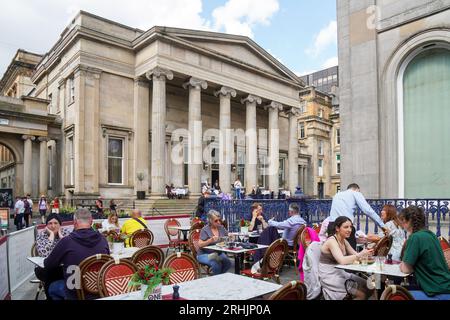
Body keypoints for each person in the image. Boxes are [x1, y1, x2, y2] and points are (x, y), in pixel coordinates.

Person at [44, 208, 110, 300]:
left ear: (74, 223)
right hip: (100, 289)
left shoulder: (66, 242)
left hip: (75, 292)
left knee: (52, 287)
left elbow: (48, 264)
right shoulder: (103, 239)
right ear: (91, 222)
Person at [399, 206, 450, 300]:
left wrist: (402, 264)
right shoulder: (431, 235)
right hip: (445, 286)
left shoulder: (415, 238)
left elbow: (406, 269)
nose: (402, 224)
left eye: (403, 220)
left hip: (436, 291)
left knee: (397, 295)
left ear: (409, 220)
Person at [319, 216, 375, 300]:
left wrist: (366, 254)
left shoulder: (344, 240)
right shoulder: (332, 241)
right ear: (337, 228)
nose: (350, 230)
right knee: (362, 295)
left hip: (340, 273)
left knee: (371, 286)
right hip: (329, 276)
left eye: (351, 227)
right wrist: (360, 255)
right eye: (346, 227)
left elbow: (356, 255)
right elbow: (342, 260)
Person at [328, 183, 386, 250]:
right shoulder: (355, 193)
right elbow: (368, 210)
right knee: (350, 253)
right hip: (345, 227)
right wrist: (382, 225)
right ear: (356, 189)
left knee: (333, 251)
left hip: (332, 226)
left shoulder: (337, 195)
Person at [34, 213, 70, 300]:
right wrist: (52, 236)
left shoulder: (66, 233)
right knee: (50, 271)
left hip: (62, 267)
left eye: (56, 223)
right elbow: (44, 254)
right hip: (45, 267)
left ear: (60, 224)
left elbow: (70, 250)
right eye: (50, 223)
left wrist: (61, 237)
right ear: (46, 225)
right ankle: (51, 296)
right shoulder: (42, 235)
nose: (53, 226)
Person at [196, 210, 232, 275]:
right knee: (216, 263)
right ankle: (217, 279)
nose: (218, 222)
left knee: (228, 263)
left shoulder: (221, 228)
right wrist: (210, 240)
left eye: (219, 220)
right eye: (216, 221)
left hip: (218, 253)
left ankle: (219, 277)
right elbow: (200, 244)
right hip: (204, 254)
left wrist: (230, 236)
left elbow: (227, 237)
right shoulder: (205, 230)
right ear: (210, 221)